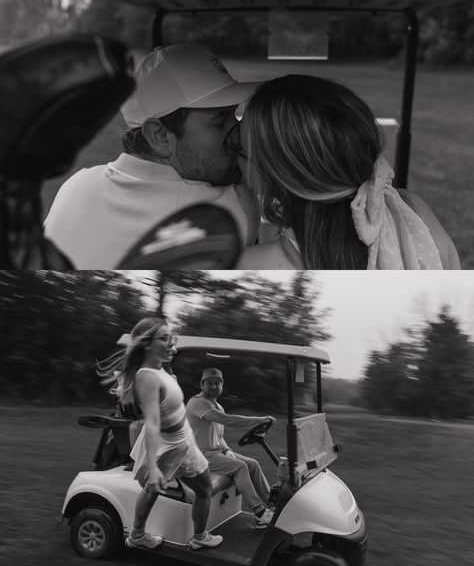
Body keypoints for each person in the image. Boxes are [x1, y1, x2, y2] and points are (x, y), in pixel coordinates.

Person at [44, 44, 261, 269]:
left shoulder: (76, 185)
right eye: (219, 123)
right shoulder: (233, 208)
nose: (236, 135)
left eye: (234, 115)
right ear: (159, 135)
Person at [229, 74, 461, 270]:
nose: (230, 150)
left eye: (238, 148)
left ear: (278, 176)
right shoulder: (416, 212)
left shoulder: (250, 267)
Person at [98, 317, 223, 551]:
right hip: (172, 445)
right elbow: (153, 423)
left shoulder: (160, 368)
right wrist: (154, 467)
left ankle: (192, 536)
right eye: (164, 338)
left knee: (193, 488)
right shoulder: (147, 377)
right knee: (176, 488)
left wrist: (170, 351)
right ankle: (145, 536)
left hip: (185, 440)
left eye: (170, 338)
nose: (170, 343)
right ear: (147, 343)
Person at [186, 367, 276, 528]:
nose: (213, 387)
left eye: (217, 383)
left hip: (215, 453)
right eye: (209, 383)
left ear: (222, 385)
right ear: (201, 384)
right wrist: (260, 419)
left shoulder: (218, 407)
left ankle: (273, 505)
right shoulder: (197, 402)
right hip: (198, 455)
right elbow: (228, 421)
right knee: (240, 467)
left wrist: (227, 450)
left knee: (252, 464)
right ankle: (260, 513)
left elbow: (219, 438)